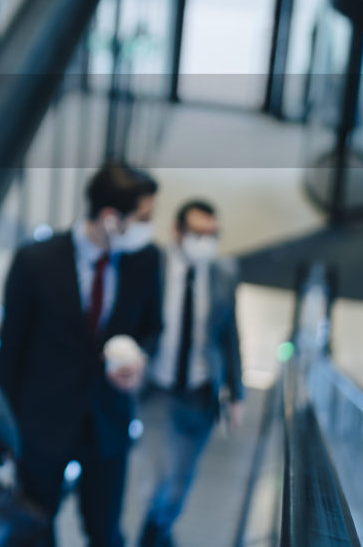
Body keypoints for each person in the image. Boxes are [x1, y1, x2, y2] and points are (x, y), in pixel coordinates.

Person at [0, 162, 164, 547]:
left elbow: (152, 326)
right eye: (143, 217)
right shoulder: (35, 261)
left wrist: (138, 360)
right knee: (33, 528)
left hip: (108, 422)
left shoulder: (146, 260)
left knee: (105, 531)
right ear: (109, 217)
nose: (148, 227)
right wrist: (6, 432)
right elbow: (11, 352)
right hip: (42, 423)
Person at [138, 200, 243, 547]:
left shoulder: (224, 274)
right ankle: (153, 535)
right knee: (161, 475)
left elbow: (230, 336)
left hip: (200, 393)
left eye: (212, 235)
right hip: (158, 388)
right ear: (178, 231)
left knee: (180, 480)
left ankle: (158, 530)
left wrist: (236, 393)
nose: (205, 242)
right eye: (197, 234)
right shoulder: (152, 265)